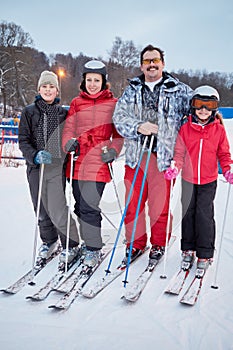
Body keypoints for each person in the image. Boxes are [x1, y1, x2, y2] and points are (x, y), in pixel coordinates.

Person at [113, 44, 192, 263]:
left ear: (162, 63)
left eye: (155, 60)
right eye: (147, 61)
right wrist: (139, 126)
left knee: (160, 205)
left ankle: (159, 243)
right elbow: (119, 118)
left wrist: (212, 116)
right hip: (137, 156)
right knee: (133, 204)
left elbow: (197, 110)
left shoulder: (178, 89)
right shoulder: (132, 90)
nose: (151, 65)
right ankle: (135, 243)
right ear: (141, 65)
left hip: (164, 159)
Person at [62, 60, 123, 267]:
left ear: (104, 81)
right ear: (84, 81)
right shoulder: (76, 103)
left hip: (98, 161)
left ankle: (93, 248)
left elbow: (119, 135)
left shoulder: (113, 104)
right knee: (80, 206)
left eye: (97, 80)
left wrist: (113, 151)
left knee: (89, 206)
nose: (93, 84)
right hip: (77, 161)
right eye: (89, 80)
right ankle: (87, 241)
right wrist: (68, 143)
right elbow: (69, 128)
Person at [165, 85, 233, 270]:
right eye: (199, 104)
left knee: (204, 215)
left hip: (208, 181)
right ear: (193, 106)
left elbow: (224, 154)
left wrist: (227, 169)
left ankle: (205, 252)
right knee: (188, 214)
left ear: (214, 108)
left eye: (208, 104)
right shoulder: (186, 129)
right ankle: (188, 249)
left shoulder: (218, 130)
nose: (203, 109)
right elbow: (179, 153)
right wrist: (175, 167)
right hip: (188, 179)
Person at [19, 70, 80, 265]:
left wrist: (71, 144)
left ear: (57, 90)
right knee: (41, 208)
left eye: (51, 86)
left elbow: (71, 135)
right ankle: (49, 241)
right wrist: (34, 156)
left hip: (55, 168)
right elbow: (23, 140)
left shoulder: (63, 112)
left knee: (57, 208)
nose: (48, 89)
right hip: (36, 167)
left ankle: (71, 243)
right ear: (39, 89)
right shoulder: (29, 112)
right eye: (44, 86)